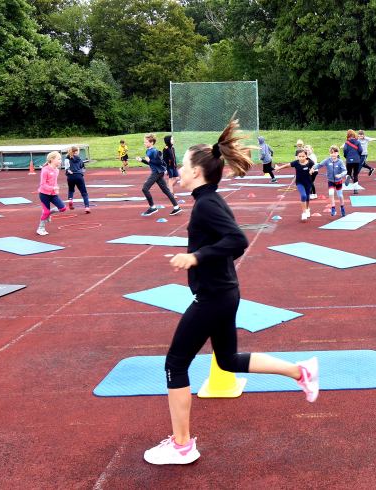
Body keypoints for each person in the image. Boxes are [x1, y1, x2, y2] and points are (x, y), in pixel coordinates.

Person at [144, 117, 318, 466]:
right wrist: (210, 260)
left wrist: (196, 257)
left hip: (214, 297)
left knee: (175, 364)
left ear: (196, 172)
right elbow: (232, 246)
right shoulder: (210, 200)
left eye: (183, 164)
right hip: (224, 292)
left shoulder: (207, 204)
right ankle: (302, 372)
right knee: (227, 360)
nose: (178, 168)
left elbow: (238, 240)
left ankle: (182, 445)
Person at [137, 133, 182, 217]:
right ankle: (176, 207)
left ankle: (152, 207)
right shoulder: (148, 151)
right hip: (157, 172)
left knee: (145, 188)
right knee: (166, 190)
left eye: (146, 142)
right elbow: (149, 162)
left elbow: (159, 162)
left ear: (152, 142)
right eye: (144, 142)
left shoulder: (155, 151)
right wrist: (142, 160)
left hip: (157, 172)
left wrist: (150, 161)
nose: (144, 143)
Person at [273, 149, 315, 221]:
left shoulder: (310, 162)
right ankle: (304, 213)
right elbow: (287, 165)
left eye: (303, 156)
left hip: (308, 182)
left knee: (308, 198)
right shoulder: (296, 163)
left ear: (306, 156)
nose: (301, 158)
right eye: (299, 156)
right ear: (297, 156)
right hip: (299, 182)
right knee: (303, 195)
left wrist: (312, 170)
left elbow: (314, 166)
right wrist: (279, 168)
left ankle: (307, 209)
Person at [311, 145, 348, 216]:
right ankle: (333, 208)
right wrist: (313, 167)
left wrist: (340, 175)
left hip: (338, 181)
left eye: (334, 153)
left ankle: (342, 208)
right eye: (331, 153)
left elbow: (345, 171)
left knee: (340, 195)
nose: (333, 154)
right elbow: (320, 164)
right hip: (330, 180)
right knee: (331, 193)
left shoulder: (340, 162)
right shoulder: (328, 160)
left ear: (338, 153)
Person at [37, 152, 67, 236]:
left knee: (63, 208)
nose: (60, 161)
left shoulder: (57, 170)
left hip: (53, 194)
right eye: (59, 159)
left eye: (61, 159)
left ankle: (49, 213)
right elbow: (42, 184)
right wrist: (52, 188)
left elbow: (54, 182)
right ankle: (41, 228)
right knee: (45, 211)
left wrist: (55, 189)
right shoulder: (45, 170)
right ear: (52, 160)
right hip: (44, 194)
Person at [64, 146, 90, 213]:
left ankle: (70, 199)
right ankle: (87, 207)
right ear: (76, 152)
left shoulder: (67, 158)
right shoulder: (79, 159)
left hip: (70, 176)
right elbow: (82, 167)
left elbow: (66, 167)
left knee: (71, 189)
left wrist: (68, 170)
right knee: (84, 193)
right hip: (78, 176)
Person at [342, 129, 363, 194]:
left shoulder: (346, 143)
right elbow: (361, 150)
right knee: (355, 174)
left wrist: (346, 157)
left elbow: (345, 150)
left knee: (349, 172)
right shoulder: (358, 142)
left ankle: (348, 176)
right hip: (356, 159)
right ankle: (355, 189)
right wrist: (358, 156)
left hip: (349, 159)